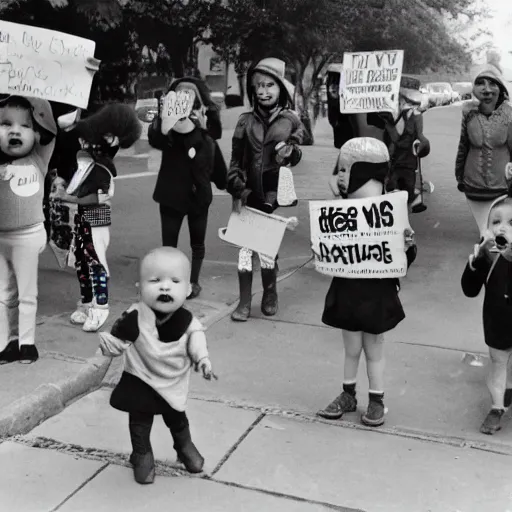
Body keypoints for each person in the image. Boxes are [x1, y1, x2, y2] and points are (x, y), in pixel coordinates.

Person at [316, 137, 417, 427]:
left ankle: (377, 399)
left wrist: (408, 245)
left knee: (374, 349)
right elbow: (328, 249)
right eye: (341, 170)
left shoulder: (392, 212)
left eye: (349, 171)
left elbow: (404, 259)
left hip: (376, 290)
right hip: (348, 286)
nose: (343, 177)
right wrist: (321, 247)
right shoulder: (339, 210)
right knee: (350, 348)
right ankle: (348, 394)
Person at [98, 247, 216, 484]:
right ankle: (143, 456)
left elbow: (196, 338)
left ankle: (185, 449)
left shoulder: (188, 321)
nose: (165, 286)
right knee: (140, 420)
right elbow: (120, 339)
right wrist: (111, 343)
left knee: (176, 417)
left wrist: (202, 358)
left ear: (188, 289)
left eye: (175, 281)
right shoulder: (134, 315)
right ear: (139, 288)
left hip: (173, 381)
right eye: (155, 280)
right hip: (140, 378)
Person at [50, 103, 141, 332]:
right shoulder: (88, 162)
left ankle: (100, 306)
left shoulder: (102, 167)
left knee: (95, 262)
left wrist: (67, 199)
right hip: (83, 220)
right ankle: (87, 303)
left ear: (110, 139)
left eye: (87, 139)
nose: (82, 143)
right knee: (81, 262)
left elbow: (93, 198)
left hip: (96, 219)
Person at [227, 57, 305, 322]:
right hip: (246, 196)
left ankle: (270, 294)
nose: (263, 91)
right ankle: (244, 302)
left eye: (269, 85)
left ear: (280, 87)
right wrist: (237, 187)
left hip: (272, 198)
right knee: (245, 254)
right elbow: (235, 160)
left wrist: (290, 152)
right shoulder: (244, 121)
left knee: (268, 253)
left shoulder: (291, 120)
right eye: (258, 86)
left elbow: (296, 154)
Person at [148, 80, 228, 300]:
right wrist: (162, 120)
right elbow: (156, 138)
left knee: (197, 242)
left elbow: (220, 172)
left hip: (198, 200)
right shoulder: (168, 135)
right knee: (169, 245)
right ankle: (168, 284)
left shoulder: (207, 139)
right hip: (171, 197)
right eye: (179, 99)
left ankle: (194, 281)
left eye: (190, 101)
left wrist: (236, 189)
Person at [0, 95, 57, 364]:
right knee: (2, 295)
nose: (14, 130)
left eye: (24, 126)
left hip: (28, 235)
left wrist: (37, 98)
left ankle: (27, 343)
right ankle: (5, 343)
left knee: (26, 292)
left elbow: (51, 128)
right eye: (5, 123)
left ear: (36, 133)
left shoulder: (39, 160)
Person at [461, 179, 512, 435]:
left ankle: (508, 390)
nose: (502, 227)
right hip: (498, 320)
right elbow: (469, 290)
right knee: (498, 361)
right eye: (496, 222)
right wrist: (475, 263)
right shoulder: (488, 255)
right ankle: (496, 407)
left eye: (511, 222)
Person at [455, 59, 512, 237]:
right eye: (480, 83)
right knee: (485, 232)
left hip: (501, 187)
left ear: (501, 89)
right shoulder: (468, 113)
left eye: (492, 84)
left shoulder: (509, 115)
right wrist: (459, 176)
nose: (487, 89)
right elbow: (463, 145)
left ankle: (493, 261)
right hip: (473, 186)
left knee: (497, 234)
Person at [384, 82, 431, 206]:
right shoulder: (401, 115)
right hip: (398, 157)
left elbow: (418, 136)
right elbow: (396, 137)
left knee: (406, 185)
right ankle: (407, 200)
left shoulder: (416, 116)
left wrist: (423, 146)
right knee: (393, 184)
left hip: (408, 158)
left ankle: (413, 200)